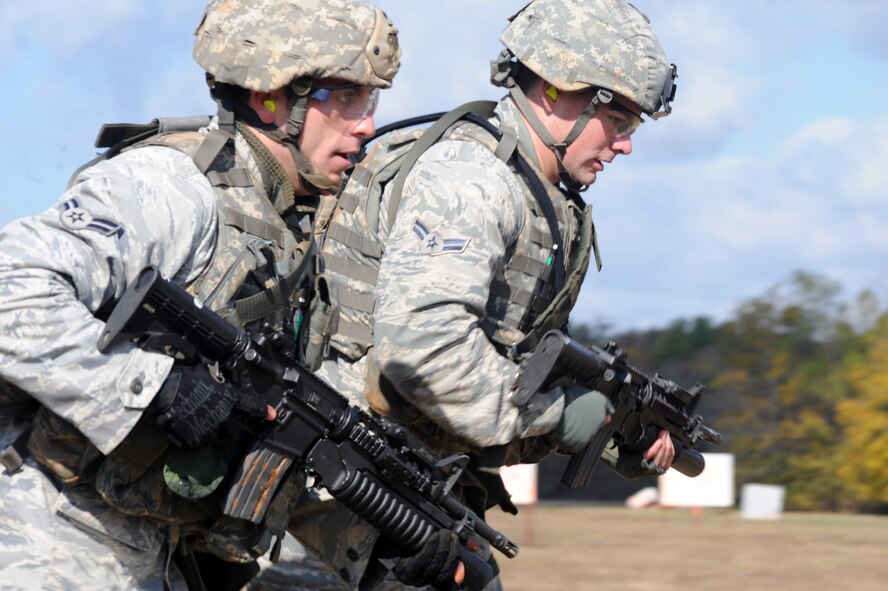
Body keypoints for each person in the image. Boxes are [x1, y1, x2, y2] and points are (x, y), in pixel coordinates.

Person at [0, 1, 451, 589]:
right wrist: (157, 389)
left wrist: (385, 537)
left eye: (370, 102)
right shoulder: (170, 186)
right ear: (271, 100)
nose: (366, 125)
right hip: (53, 540)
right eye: (345, 99)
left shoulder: (291, 223)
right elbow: (13, 290)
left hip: (165, 556)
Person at [259, 0, 681, 589]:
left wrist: (608, 429)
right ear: (558, 92)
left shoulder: (536, 191)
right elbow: (425, 350)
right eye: (621, 121)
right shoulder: (471, 180)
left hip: (400, 493)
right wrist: (559, 418)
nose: (626, 145)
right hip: (338, 497)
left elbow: (496, 363)